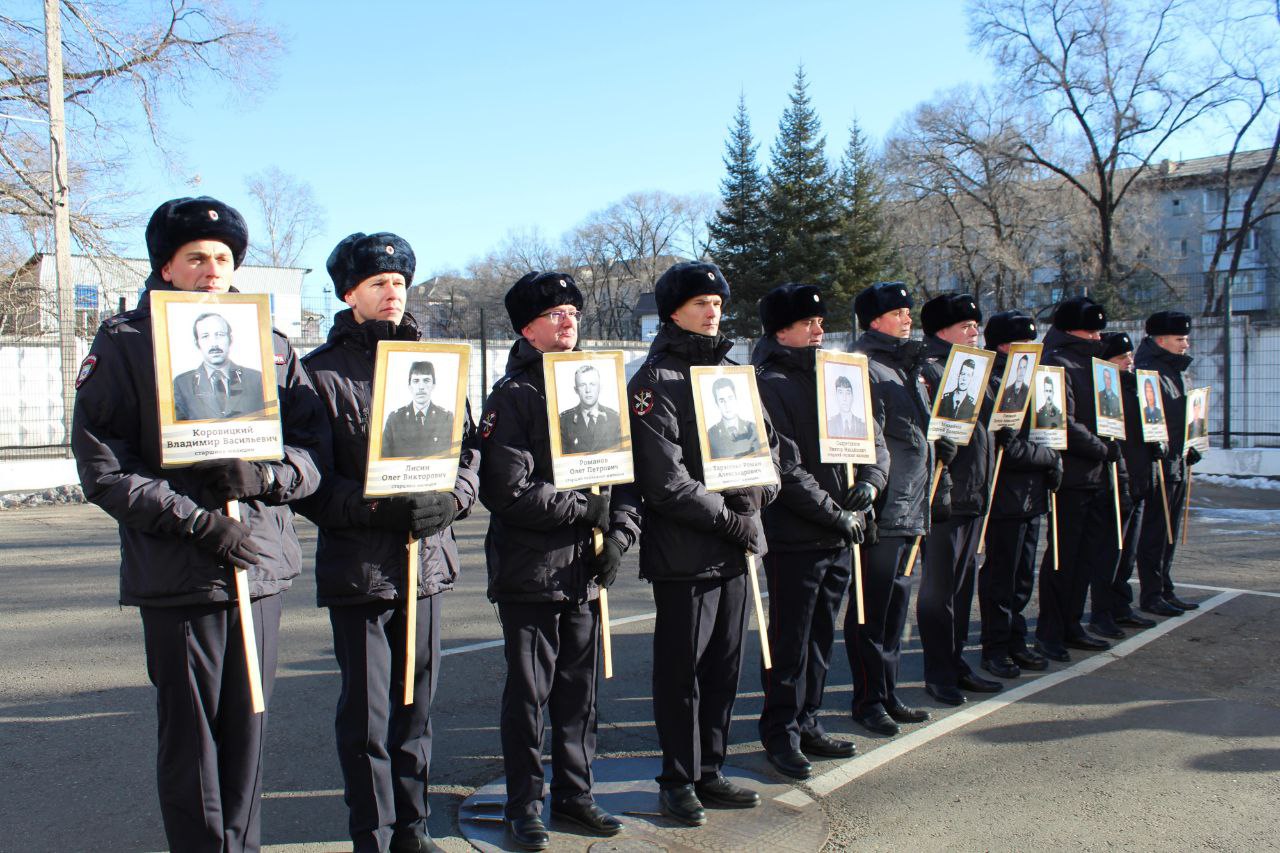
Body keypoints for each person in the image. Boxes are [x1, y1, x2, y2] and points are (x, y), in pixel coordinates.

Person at [72, 196, 325, 852]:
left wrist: (265, 479)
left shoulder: (270, 345)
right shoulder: (126, 342)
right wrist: (196, 523)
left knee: (248, 734)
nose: (212, 270)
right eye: (196, 258)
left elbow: (313, 450)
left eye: (222, 258)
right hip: (181, 573)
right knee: (193, 743)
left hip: (257, 568)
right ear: (166, 266)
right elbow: (105, 467)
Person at [295, 232, 477, 853]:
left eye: (399, 282)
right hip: (361, 570)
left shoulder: (437, 364)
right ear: (349, 293)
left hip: (426, 566)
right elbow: (311, 482)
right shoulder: (318, 374)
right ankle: (371, 836)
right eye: (377, 282)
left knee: (416, 710)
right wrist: (376, 505)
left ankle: (412, 829)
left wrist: (452, 500)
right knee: (369, 717)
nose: (391, 291)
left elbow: (468, 453)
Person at [479, 271, 640, 851]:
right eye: (554, 314)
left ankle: (576, 793)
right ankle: (524, 804)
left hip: (584, 570)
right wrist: (582, 509)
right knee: (530, 696)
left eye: (573, 312)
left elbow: (624, 478)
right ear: (527, 329)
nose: (568, 320)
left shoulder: (598, 387)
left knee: (579, 692)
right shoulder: (513, 395)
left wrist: (618, 535)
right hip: (531, 571)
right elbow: (507, 489)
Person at [628, 261, 782, 826]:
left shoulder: (735, 376)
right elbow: (664, 480)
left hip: (735, 549)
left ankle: (710, 769)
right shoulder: (654, 381)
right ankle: (678, 777)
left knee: (724, 667)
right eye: (700, 303)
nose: (712, 311)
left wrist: (760, 494)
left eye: (717, 303)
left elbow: (772, 450)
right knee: (682, 672)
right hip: (686, 554)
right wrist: (731, 519)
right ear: (673, 312)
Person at [752, 283, 886, 780]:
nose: (818, 329)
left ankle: (809, 720)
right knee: (790, 643)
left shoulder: (835, 375)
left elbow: (872, 437)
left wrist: (871, 482)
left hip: (840, 534)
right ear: (780, 330)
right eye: (806, 322)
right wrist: (835, 514)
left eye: (820, 321)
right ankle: (781, 731)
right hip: (796, 536)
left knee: (822, 638)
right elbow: (784, 466)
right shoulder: (768, 384)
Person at [847, 281, 945, 736]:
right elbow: (866, 439)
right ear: (875, 320)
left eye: (908, 311)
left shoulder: (904, 366)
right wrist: (872, 494)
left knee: (895, 609)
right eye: (898, 312)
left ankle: (887, 692)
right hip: (885, 508)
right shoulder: (864, 367)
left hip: (911, 504)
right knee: (872, 611)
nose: (908, 318)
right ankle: (868, 700)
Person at [916, 294, 1003, 707]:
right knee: (940, 591)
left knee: (962, 588)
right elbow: (926, 433)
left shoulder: (974, 367)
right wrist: (942, 470)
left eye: (975, 325)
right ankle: (939, 671)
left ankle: (956, 661)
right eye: (966, 326)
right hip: (944, 497)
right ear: (942, 330)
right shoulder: (931, 369)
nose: (974, 332)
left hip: (973, 495)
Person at [1034, 296, 1125, 662]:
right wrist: (1101, 448)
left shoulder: (1094, 365)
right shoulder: (1056, 363)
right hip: (1070, 476)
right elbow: (1062, 422)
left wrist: (1113, 442)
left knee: (1085, 557)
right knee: (1063, 557)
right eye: (1091, 331)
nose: (1098, 337)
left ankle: (1071, 623)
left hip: (1096, 475)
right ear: (1073, 330)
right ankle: (1050, 631)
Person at [976, 311, 1062, 679]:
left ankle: (1016, 640)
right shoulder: (994, 383)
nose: (1032, 350)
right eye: (1023, 344)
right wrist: (1049, 458)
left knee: (1023, 578)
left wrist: (1052, 458)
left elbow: (1045, 432)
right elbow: (1006, 448)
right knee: (1002, 578)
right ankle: (995, 647)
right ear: (1003, 346)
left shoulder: (1031, 381)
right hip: (1005, 497)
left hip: (1031, 496)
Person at [1086, 332, 1159, 642]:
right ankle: (1101, 612)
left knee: (1127, 554)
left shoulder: (1135, 387)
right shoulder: (1103, 394)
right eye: (1121, 357)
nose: (1129, 361)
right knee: (1109, 554)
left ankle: (1120, 604)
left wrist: (1156, 442)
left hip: (1139, 481)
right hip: (1114, 483)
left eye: (1129, 356)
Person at [1134, 311, 1201, 615]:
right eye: (1180, 339)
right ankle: (1151, 593)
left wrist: (1192, 444)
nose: (1186, 344)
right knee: (1155, 533)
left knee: (1169, 533)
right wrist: (1158, 446)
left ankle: (1165, 587)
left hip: (1177, 462)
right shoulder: (1149, 372)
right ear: (1161, 340)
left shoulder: (1177, 370)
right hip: (1158, 466)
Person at [172, 311, 266, 421]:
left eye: (220, 334)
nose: (214, 344)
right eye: (205, 336)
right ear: (197, 343)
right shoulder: (182, 384)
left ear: (230, 339)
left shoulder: (256, 379)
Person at [381, 360, 455, 458]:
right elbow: (385, 456)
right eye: (416, 381)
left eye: (426, 380)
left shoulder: (446, 418)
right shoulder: (394, 420)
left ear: (433, 385)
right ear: (409, 386)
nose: (421, 387)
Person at [558, 363, 622, 454]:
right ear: (576, 390)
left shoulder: (615, 419)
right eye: (582, 385)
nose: (588, 390)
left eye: (592, 384)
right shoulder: (563, 421)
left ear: (600, 388)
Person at [706, 377, 760, 458]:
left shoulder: (753, 428)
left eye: (730, 398)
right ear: (717, 403)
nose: (727, 405)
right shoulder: (711, 434)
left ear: (736, 398)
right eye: (721, 400)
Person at [827, 374, 869, 439]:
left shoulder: (864, 426)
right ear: (836, 396)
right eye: (840, 393)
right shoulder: (829, 425)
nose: (844, 398)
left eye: (848, 393)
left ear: (852, 396)